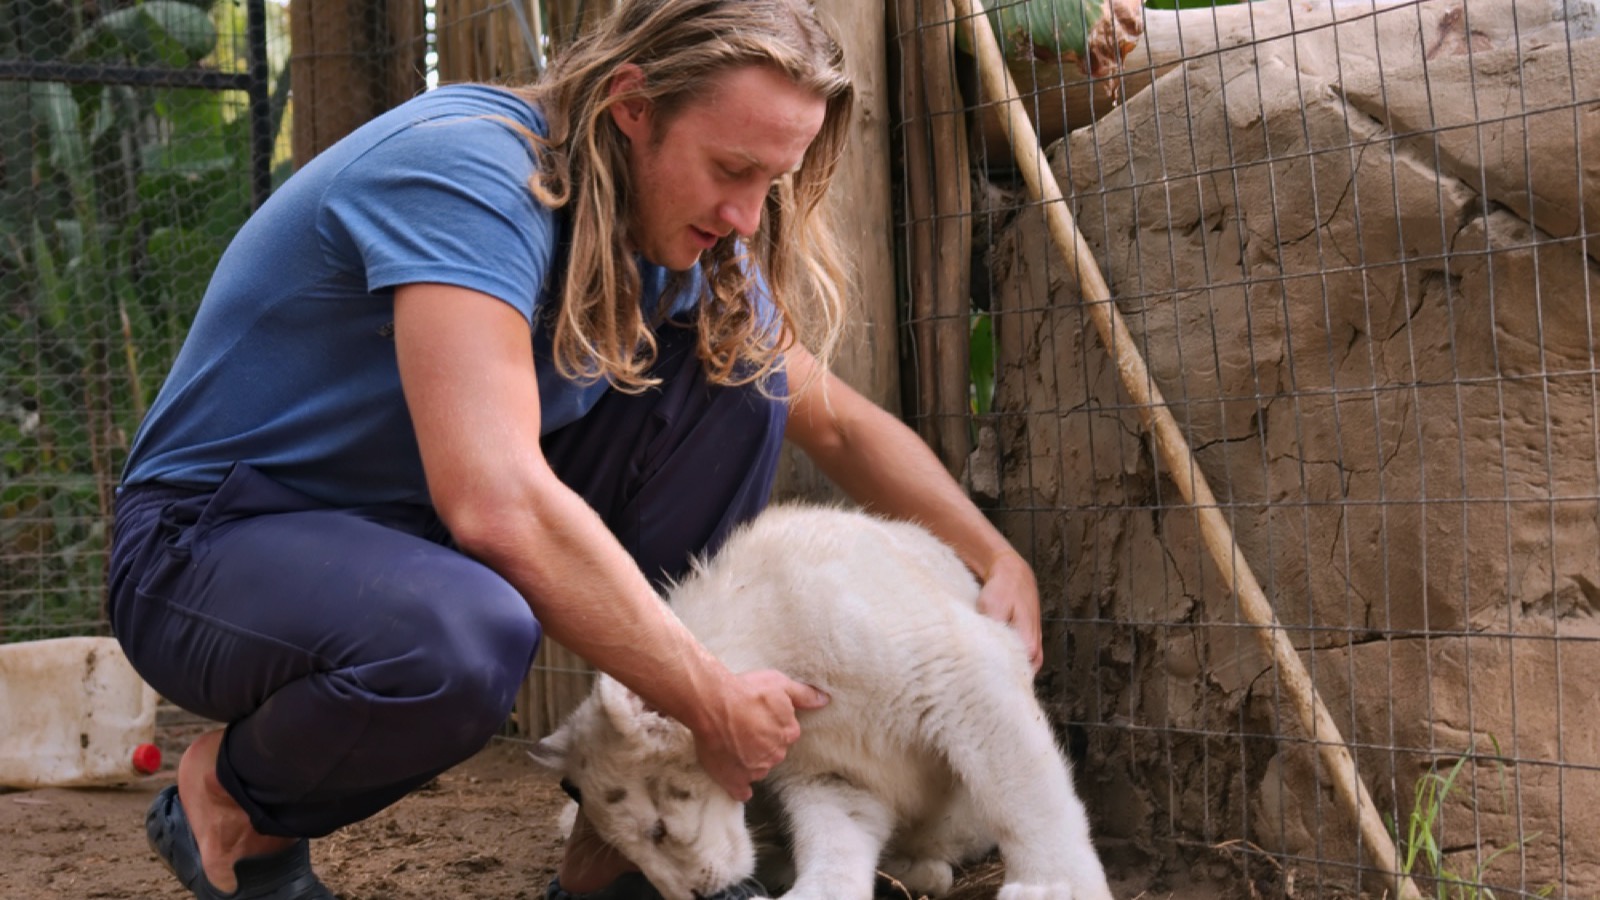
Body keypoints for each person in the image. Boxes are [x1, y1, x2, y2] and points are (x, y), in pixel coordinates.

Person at [106, 1, 1044, 898]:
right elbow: (494, 502)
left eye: (772, 180)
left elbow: (833, 420)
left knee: (739, 381)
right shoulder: (466, 173)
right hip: (207, 550)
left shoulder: (673, 237)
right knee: (464, 640)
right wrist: (710, 697)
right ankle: (233, 807)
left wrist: (994, 557)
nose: (749, 217)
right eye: (730, 169)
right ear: (633, 107)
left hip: (412, 540)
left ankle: (615, 857)